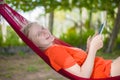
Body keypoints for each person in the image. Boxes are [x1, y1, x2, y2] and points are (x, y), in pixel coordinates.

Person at [21, 22, 120, 79]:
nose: (44, 31)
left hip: (104, 67)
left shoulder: (55, 48)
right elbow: (83, 76)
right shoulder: (54, 52)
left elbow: (79, 64)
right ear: (34, 44)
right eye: (38, 34)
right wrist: (93, 49)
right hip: (104, 73)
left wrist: (89, 50)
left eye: (42, 27)